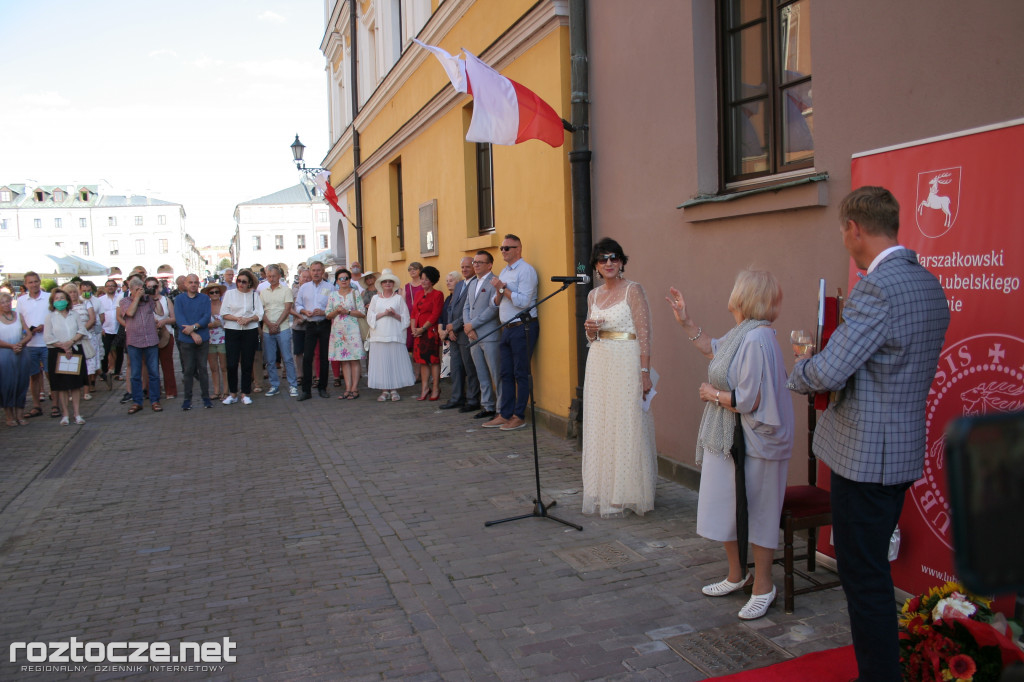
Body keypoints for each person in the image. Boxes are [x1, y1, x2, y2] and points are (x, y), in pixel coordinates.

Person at [787, 186, 950, 681]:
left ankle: (879, 676)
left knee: (864, 577)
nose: (843, 239)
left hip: (867, 456)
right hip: (898, 450)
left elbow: (829, 371)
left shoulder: (878, 288)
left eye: (843, 230)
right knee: (870, 570)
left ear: (855, 229)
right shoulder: (927, 283)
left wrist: (801, 366)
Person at [667, 269, 794, 621]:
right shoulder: (745, 333)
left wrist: (713, 394)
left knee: (759, 511)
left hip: (756, 439)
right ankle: (738, 575)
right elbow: (715, 349)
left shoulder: (757, 339)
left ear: (745, 296)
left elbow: (749, 397)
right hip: (733, 435)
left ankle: (763, 586)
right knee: (728, 504)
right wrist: (686, 321)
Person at [581, 238, 657, 517]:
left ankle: (628, 492)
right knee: (602, 421)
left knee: (627, 422)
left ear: (622, 261)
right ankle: (605, 489)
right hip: (600, 361)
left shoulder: (633, 291)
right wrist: (590, 330)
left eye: (614, 258)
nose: (609, 263)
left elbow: (645, 335)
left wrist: (645, 372)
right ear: (596, 266)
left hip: (627, 361)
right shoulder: (593, 296)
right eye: (603, 260)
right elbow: (591, 336)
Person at [484, 234, 539, 431]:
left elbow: (523, 302)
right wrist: (499, 292)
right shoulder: (504, 272)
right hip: (506, 327)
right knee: (505, 372)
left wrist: (502, 289)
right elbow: (495, 300)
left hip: (522, 326)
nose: (503, 251)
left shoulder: (526, 271)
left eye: (508, 248)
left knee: (520, 372)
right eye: (502, 248)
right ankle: (505, 414)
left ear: (518, 249)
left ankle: (518, 415)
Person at [365, 270, 415, 401]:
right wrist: (383, 314)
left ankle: (394, 389)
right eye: (385, 281)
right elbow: (370, 317)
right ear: (381, 284)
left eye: (390, 281)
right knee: (381, 363)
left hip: (394, 335)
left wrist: (394, 315)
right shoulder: (375, 299)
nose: (387, 283)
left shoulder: (398, 298)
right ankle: (384, 390)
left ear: (393, 284)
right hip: (379, 336)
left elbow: (406, 318)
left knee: (394, 362)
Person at [43, 288, 89, 425]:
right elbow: (48, 336)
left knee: (75, 384)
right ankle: (65, 414)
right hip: (57, 352)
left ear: (67, 300)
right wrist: (63, 346)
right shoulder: (50, 317)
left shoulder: (74, 314)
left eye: (62, 298)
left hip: (74, 350)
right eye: (57, 299)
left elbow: (82, 330)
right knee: (62, 385)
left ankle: (77, 413)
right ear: (52, 301)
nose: (60, 301)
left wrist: (71, 342)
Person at [118, 275, 164, 414]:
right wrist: (137, 298)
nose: (141, 291)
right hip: (134, 341)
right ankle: (137, 402)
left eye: (141, 289)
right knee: (135, 374)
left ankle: (155, 400)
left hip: (150, 339)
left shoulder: (148, 300)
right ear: (131, 290)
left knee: (154, 373)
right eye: (137, 289)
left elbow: (160, 312)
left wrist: (155, 297)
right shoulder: (125, 301)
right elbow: (130, 313)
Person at [464, 250, 501, 419]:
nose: (476, 265)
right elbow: (466, 307)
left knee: (496, 372)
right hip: (473, 335)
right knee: (481, 372)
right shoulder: (472, 283)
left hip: (489, 334)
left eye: (480, 262)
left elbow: (493, 309)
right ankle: (487, 405)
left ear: (489, 265)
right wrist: (468, 327)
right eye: (475, 262)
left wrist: (474, 324)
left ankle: (501, 408)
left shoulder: (494, 282)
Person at [220, 268, 263, 405]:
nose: (240, 284)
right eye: (238, 281)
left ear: (249, 283)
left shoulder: (254, 295)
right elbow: (224, 313)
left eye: (244, 282)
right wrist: (236, 318)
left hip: (249, 330)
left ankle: (245, 392)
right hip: (232, 330)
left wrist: (249, 319)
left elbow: (259, 313)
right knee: (231, 363)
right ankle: (233, 393)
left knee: (247, 362)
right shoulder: (230, 294)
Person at [443, 257, 480, 412]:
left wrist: (455, 326)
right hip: (454, 334)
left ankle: (473, 400)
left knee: (469, 367)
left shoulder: (476, 283)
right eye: (462, 267)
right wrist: (450, 329)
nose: (464, 269)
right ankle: (457, 397)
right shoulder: (459, 285)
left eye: (467, 267)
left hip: (465, 332)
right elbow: (451, 308)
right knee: (456, 367)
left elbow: (470, 308)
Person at [295, 261, 333, 400]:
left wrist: (324, 312)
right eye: (313, 270)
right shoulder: (304, 288)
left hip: (324, 323)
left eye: (318, 270)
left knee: (323, 357)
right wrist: (305, 311)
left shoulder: (330, 287)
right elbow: (297, 304)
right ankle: (306, 391)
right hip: (310, 325)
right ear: (310, 272)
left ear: (323, 271)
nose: (316, 273)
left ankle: (322, 388)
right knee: (307, 357)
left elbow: (334, 306)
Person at [174, 274, 213, 410]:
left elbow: (206, 317)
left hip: (203, 338)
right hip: (186, 339)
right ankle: (187, 399)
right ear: (185, 284)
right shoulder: (179, 299)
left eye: (196, 282)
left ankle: (206, 397)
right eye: (190, 282)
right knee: (188, 369)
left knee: (202, 368)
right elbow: (179, 319)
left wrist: (194, 327)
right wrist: (192, 333)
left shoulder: (204, 298)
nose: (193, 285)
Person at [326, 267, 366, 399]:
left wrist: (347, 312)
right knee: (344, 360)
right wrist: (337, 312)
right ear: (336, 281)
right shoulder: (332, 295)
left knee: (354, 359)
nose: (344, 281)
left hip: (353, 330)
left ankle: (355, 387)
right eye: (341, 279)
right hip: (339, 332)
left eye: (346, 278)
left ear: (350, 280)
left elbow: (362, 312)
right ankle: (347, 387)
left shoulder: (355, 294)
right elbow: (327, 315)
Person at [260, 264, 298, 398]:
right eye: (269, 276)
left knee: (287, 358)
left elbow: (287, 309)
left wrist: (276, 324)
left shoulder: (286, 290)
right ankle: (274, 385)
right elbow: (261, 311)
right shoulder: (263, 292)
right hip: (267, 329)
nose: (271, 278)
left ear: (279, 276)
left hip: (283, 328)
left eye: (274, 276)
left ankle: (293, 385)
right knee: (270, 360)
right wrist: (270, 324)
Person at [16, 272, 50, 420]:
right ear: (26, 284)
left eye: (36, 281)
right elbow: (19, 321)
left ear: (39, 282)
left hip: (48, 342)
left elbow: (55, 316)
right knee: (34, 376)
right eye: (30, 282)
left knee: (51, 374)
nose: (34, 284)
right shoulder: (22, 300)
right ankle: (36, 405)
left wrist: (45, 326)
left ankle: (56, 404)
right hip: (30, 344)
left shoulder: (48, 297)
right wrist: (27, 330)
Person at [411, 266, 444, 401]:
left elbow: (435, 314)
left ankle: (435, 387)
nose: (423, 281)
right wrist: (414, 328)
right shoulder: (418, 294)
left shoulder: (438, 294)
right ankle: (425, 388)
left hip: (430, 332)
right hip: (418, 332)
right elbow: (413, 312)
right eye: (422, 279)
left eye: (426, 279)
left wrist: (422, 329)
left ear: (432, 281)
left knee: (433, 361)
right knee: (422, 362)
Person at [0, 291, 32, 426]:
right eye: (2, 302)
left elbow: (28, 333)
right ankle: (9, 416)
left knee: (21, 383)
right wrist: (11, 345)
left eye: (8, 301)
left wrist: (21, 343)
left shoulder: (18, 315)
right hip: (4, 355)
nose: (6, 304)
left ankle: (20, 414)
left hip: (21, 353)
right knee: (6, 385)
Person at [63, 282, 97, 402]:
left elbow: (92, 318)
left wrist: (81, 331)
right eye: (69, 292)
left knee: (87, 365)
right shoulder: (65, 307)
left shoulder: (86, 303)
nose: (72, 294)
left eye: (74, 292)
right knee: (73, 366)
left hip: (86, 337)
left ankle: (86, 391)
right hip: (72, 340)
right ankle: (74, 390)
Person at [147, 276, 177, 400]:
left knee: (167, 364)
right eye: (149, 287)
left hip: (166, 334)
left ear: (159, 287)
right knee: (152, 366)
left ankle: (170, 390)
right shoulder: (144, 301)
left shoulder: (166, 300)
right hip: (149, 336)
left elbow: (174, 318)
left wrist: (164, 321)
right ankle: (154, 391)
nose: (152, 289)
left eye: (154, 286)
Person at [78, 281, 104, 393]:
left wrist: (98, 329)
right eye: (84, 291)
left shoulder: (97, 301)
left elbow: (102, 316)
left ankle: (92, 382)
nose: (86, 293)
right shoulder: (77, 301)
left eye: (88, 291)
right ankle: (87, 382)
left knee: (93, 358)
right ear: (80, 290)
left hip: (94, 333)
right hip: (80, 335)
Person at [97, 278, 124, 385]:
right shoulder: (101, 300)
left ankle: (117, 372)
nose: (110, 287)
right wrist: (101, 328)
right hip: (106, 329)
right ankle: (104, 372)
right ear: (105, 288)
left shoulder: (121, 298)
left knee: (119, 352)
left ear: (116, 287)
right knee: (105, 351)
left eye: (112, 285)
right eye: (108, 286)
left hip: (118, 328)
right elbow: (98, 315)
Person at [203, 283, 227, 399]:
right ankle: (216, 391)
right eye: (212, 292)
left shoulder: (225, 306)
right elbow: (200, 323)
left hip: (223, 339)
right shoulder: (205, 307)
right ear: (208, 294)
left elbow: (230, 322)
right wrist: (211, 324)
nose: (214, 294)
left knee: (224, 367)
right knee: (213, 368)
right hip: (209, 340)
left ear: (220, 293)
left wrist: (221, 324)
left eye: (217, 292)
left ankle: (226, 391)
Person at [291, 267, 311, 387]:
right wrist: (299, 317)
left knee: (311, 352)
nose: (306, 279)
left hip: (310, 324)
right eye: (304, 277)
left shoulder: (313, 289)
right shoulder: (294, 291)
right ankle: (300, 375)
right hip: (297, 326)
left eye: (308, 277)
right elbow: (290, 308)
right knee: (298, 352)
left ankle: (312, 375)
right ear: (299, 279)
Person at [404, 261, 424, 352]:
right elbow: (403, 303)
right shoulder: (406, 286)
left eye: (414, 269)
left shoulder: (424, 285)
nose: (412, 271)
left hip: (421, 319)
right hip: (409, 318)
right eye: (410, 269)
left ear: (420, 270)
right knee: (410, 347)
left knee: (421, 347)